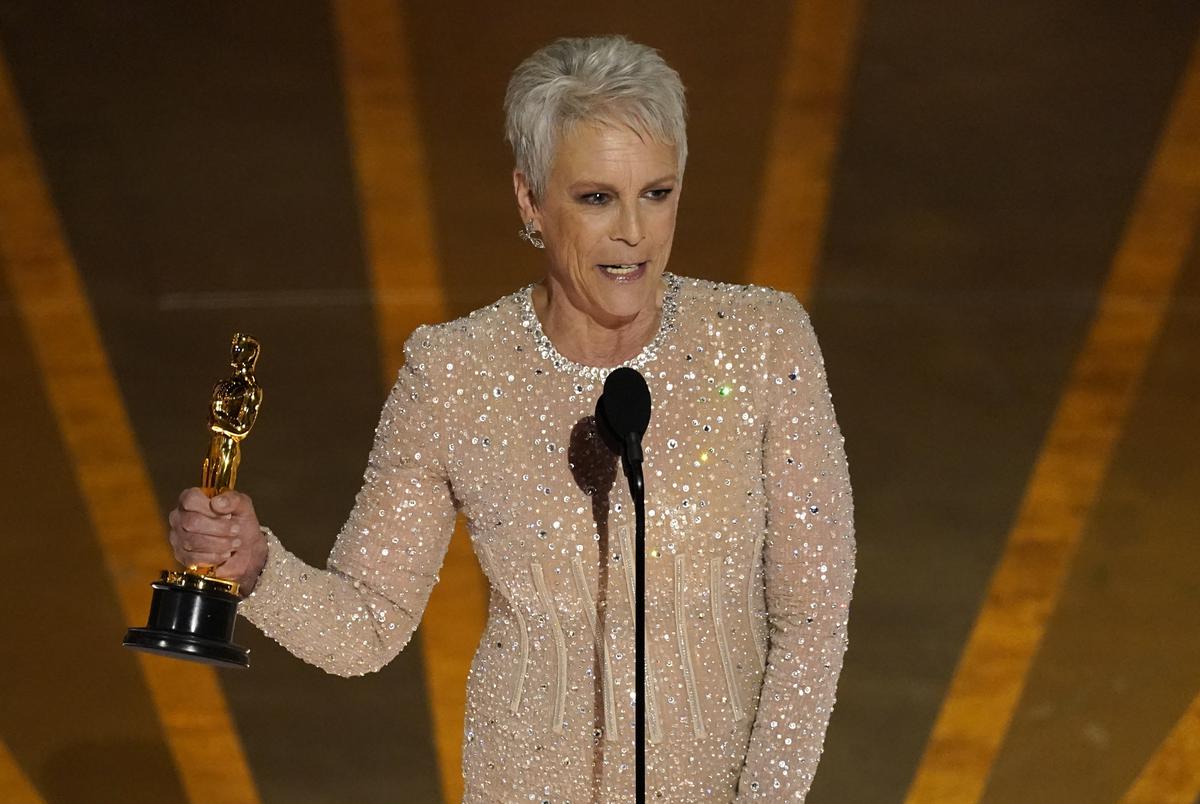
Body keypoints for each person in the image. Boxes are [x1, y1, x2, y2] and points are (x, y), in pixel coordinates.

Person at [167, 34, 855, 802]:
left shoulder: (762, 342)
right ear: (530, 199)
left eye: (656, 193)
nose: (633, 231)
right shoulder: (455, 375)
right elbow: (367, 624)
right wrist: (258, 569)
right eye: (596, 197)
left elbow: (812, 616)